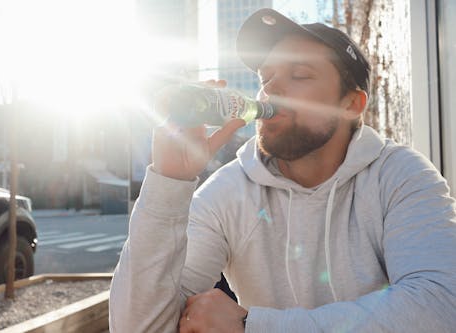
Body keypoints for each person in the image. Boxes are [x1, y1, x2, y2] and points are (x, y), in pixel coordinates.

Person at [109, 8, 456, 333]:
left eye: (299, 74)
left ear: (351, 104)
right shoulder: (229, 192)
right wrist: (169, 180)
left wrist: (253, 325)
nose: (271, 88)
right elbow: (136, 326)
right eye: (266, 76)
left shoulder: (400, 175)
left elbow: (440, 307)